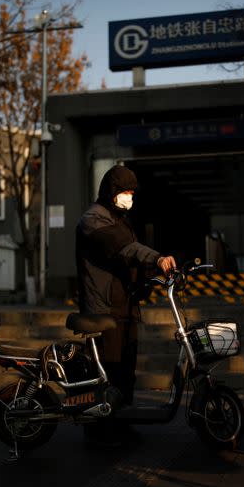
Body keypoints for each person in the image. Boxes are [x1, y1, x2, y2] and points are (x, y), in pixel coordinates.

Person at [75, 164, 175, 412]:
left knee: (126, 370)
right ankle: (101, 429)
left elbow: (129, 259)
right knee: (108, 371)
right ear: (111, 190)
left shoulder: (120, 219)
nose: (129, 197)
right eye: (125, 191)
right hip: (104, 309)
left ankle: (121, 420)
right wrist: (157, 259)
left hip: (125, 306)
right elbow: (124, 248)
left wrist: (153, 275)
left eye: (132, 192)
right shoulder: (94, 219)